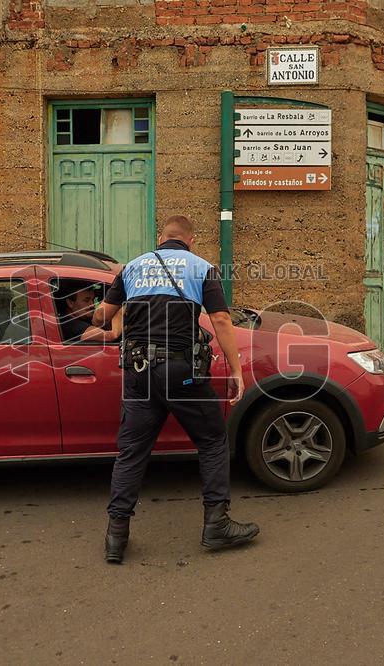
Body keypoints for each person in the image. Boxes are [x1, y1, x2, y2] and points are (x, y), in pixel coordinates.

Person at [91, 215, 259, 564]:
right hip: (180, 372)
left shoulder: (133, 268)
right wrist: (237, 370)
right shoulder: (202, 268)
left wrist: (110, 304)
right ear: (191, 241)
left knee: (132, 452)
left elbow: (102, 318)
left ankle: (116, 537)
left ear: (160, 236)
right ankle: (217, 524)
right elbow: (222, 320)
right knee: (213, 440)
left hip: (137, 374)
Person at [57, 284, 121, 343]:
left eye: (93, 300)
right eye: (86, 300)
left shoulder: (85, 319)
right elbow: (112, 336)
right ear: (70, 303)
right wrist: (120, 310)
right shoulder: (68, 324)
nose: (92, 305)